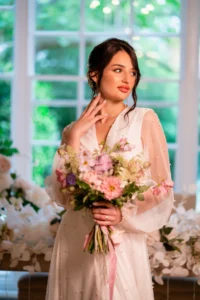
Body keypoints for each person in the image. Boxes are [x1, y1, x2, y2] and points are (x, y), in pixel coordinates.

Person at [45, 38, 174, 300]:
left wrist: (121, 214)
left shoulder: (144, 119)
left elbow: (163, 186)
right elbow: (64, 195)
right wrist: (74, 137)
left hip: (122, 239)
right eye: (118, 69)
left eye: (133, 72)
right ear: (95, 74)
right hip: (75, 238)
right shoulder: (73, 130)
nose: (128, 78)